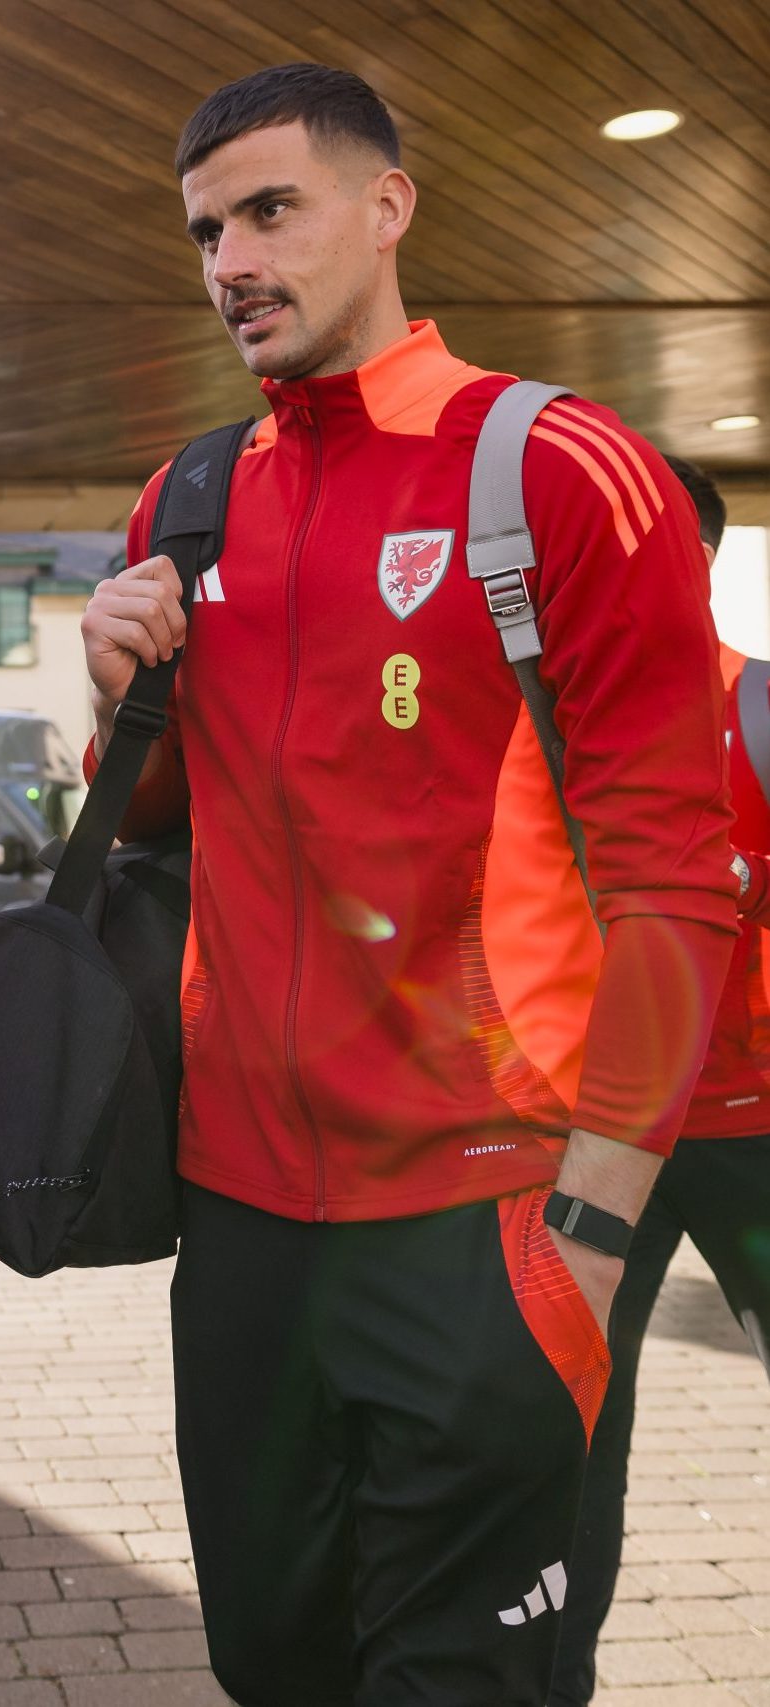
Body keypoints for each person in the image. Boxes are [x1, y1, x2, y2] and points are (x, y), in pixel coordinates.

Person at [80, 63, 736, 1705]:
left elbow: (673, 877)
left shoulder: (558, 467)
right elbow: (164, 821)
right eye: (206, 228)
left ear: (387, 208)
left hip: (482, 1223)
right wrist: (120, 694)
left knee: (465, 1683)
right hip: (237, 1227)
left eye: (268, 209)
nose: (230, 258)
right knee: (274, 1663)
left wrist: (582, 1237)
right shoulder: (190, 495)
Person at [551, 459, 770, 1704]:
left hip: (754, 1130)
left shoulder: (761, 707)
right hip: (594, 1140)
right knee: (566, 1435)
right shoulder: (544, 718)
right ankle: (551, 1679)